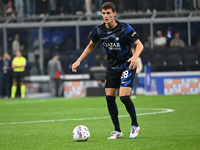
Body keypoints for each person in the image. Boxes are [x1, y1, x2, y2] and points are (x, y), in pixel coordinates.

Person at [72, 2, 144, 139]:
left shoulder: (125, 28)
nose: (105, 16)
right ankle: (117, 131)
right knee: (110, 98)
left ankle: (135, 125)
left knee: (123, 97)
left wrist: (135, 57)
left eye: (108, 13)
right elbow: (90, 46)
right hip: (112, 66)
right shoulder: (99, 30)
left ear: (114, 14)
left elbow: (140, 45)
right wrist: (78, 60)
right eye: (103, 13)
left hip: (127, 65)